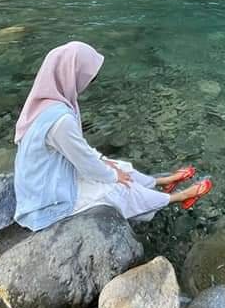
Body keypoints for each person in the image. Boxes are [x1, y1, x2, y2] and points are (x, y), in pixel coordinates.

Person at [13, 40, 212, 232]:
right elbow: (85, 162)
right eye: (87, 77)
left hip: (48, 179)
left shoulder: (47, 103)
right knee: (119, 189)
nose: (89, 82)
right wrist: (112, 175)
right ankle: (179, 197)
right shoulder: (60, 120)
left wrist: (107, 165)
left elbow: (79, 151)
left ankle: (161, 182)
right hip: (46, 199)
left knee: (119, 168)